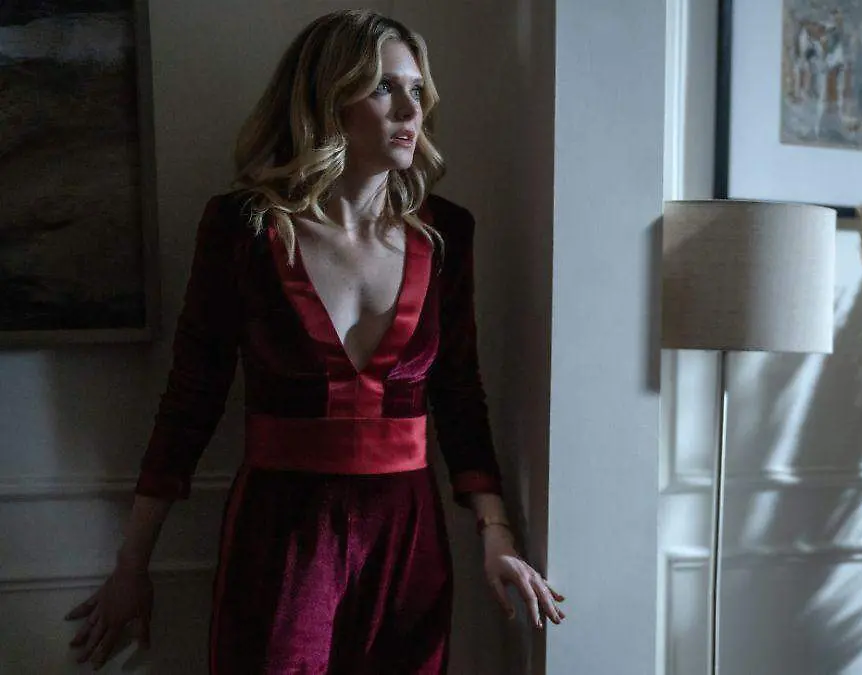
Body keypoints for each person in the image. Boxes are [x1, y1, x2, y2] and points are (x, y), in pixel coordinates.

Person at [64, 9, 564, 672]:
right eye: (383, 87)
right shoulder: (244, 229)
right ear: (328, 98)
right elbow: (191, 399)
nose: (409, 109)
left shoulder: (446, 235)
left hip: (408, 544)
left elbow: (460, 394)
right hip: (282, 538)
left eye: (417, 89)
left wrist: (496, 533)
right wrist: (133, 564)